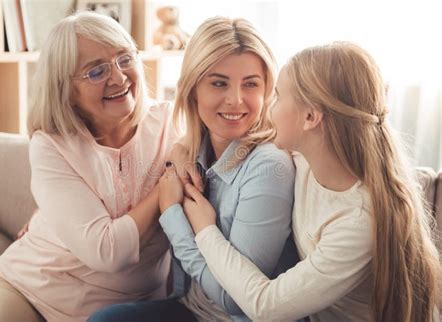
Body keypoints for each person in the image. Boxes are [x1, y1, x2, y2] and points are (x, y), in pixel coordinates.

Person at [182, 42, 441, 322]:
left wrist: (205, 229)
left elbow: (266, 306)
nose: (268, 108)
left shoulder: (358, 219)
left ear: (310, 117)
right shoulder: (304, 157)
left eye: (278, 97)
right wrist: (181, 151)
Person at [0, 11, 179, 322]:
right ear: (66, 89)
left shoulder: (171, 123)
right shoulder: (51, 144)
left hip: (126, 306)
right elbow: (108, 251)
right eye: (96, 71)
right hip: (32, 290)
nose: (119, 78)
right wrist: (165, 188)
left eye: (125, 59)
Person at [88, 17, 296, 322]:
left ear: (267, 90)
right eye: (218, 83)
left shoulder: (268, 167)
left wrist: (171, 211)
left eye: (250, 83)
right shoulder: (192, 148)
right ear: (193, 88)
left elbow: (238, 302)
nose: (236, 100)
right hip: (190, 308)